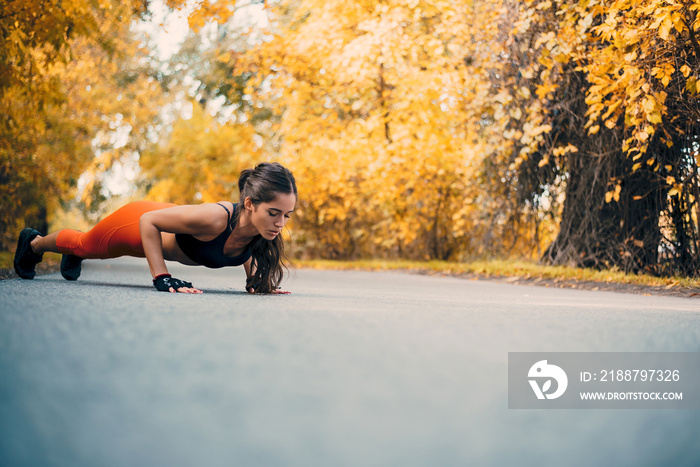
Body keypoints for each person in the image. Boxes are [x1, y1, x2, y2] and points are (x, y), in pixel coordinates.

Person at [13, 162, 297, 294]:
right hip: (140, 223)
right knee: (85, 244)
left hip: (161, 226)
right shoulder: (215, 218)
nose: (280, 223)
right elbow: (149, 221)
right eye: (274, 213)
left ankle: (74, 254)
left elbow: (243, 250)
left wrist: (257, 283)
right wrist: (162, 277)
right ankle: (34, 243)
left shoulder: (256, 231)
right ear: (249, 204)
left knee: (85, 248)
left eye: (287, 215)